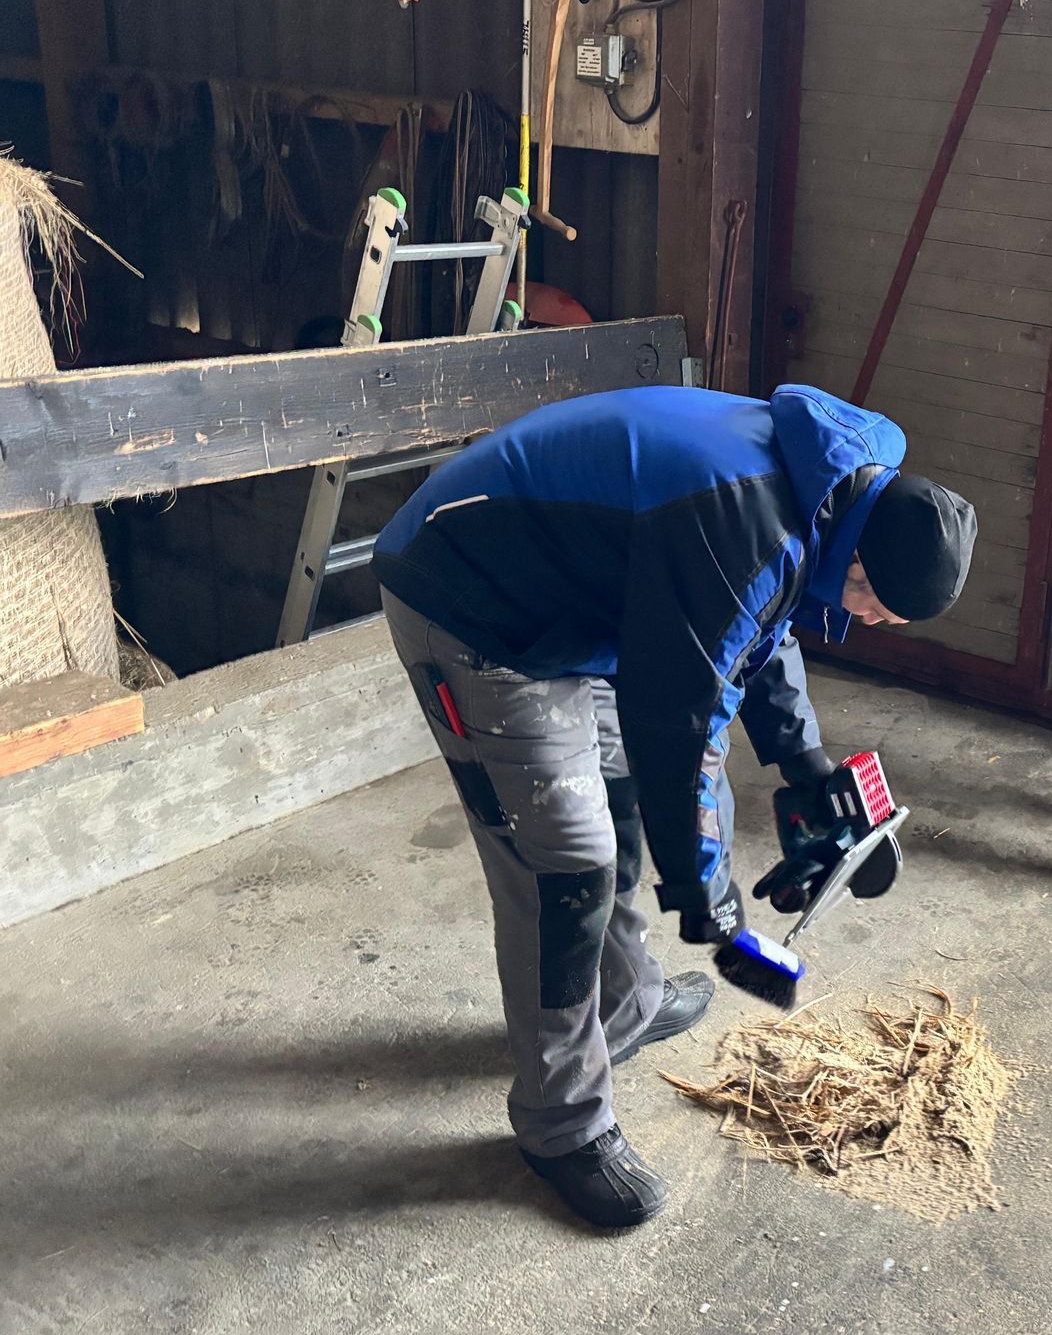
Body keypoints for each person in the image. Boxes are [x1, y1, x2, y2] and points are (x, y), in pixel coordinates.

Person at [371, 382, 976, 1228]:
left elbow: (760, 621)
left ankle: (627, 1003)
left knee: (619, 807)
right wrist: (707, 895)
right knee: (566, 866)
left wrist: (804, 763)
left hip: (578, 601)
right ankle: (562, 1125)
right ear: (861, 565)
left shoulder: (829, 489)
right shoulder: (742, 519)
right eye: (881, 608)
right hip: (474, 602)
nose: (878, 624)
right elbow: (683, 731)